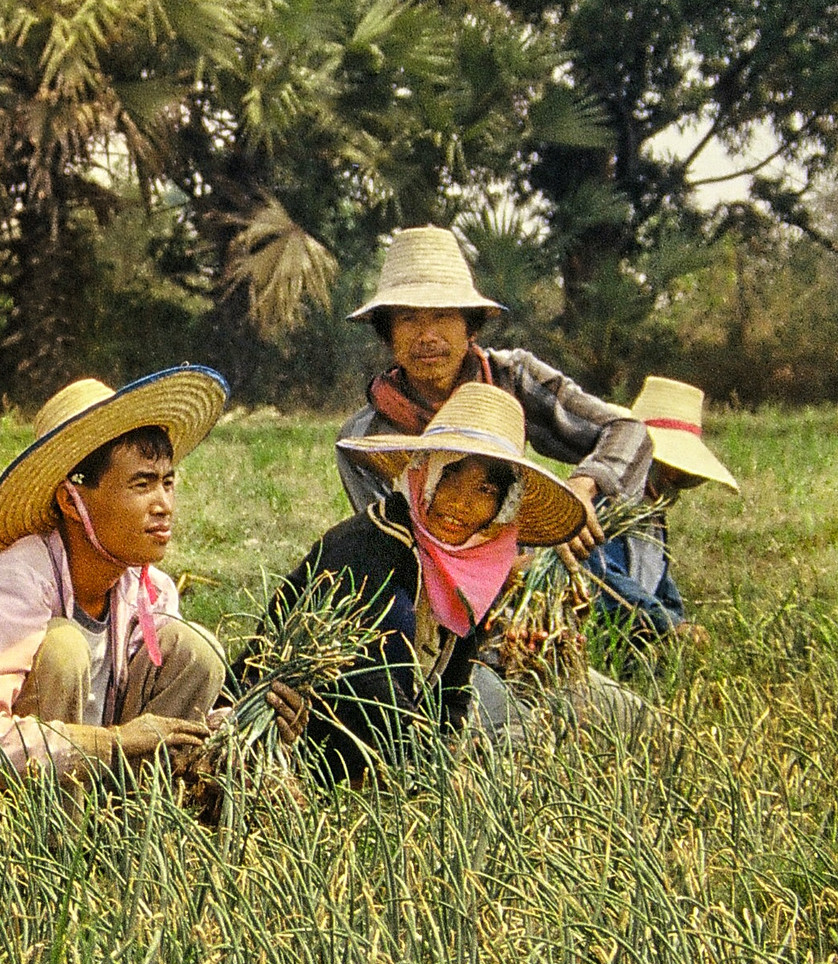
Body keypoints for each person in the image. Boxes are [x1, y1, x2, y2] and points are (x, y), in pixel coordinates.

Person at [0, 369, 235, 791]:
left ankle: (131, 836)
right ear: (71, 501)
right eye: (141, 484)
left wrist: (240, 723)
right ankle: (53, 849)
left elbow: (167, 725)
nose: (163, 505)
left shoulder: (150, 591)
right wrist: (112, 742)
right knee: (62, 648)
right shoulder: (11, 585)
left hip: (91, 800)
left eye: (167, 482)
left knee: (195, 650)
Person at [274, 382, 585, 785]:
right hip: (305, 734)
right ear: (424, 475)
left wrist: (446, 745)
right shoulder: (373, 544)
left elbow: (455, 689)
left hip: (386, 748)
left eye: (485, 490)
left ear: (502, 506)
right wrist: (431, 770)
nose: (460, 502)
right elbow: (370, 684)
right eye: (450, 478)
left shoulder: (471, 570)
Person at [336, 226, 651, 559]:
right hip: (439, 576)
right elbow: (395, 546)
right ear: (388, 335)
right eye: (408, 318)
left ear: (470, 327)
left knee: (615, 517)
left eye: (442, 315)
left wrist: (582, 489)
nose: (427, 336)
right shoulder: (363, 440)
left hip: (531, 555)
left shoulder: (511, 377)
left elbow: (628, 430)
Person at [582, 376, 738, 644]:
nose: (670, 482)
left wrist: (679, 620)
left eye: (682, 477)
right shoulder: (605, 506)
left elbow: (662, 583)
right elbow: (604, 578)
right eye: (666, 470)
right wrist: (667, 623)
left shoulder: (655, 521)